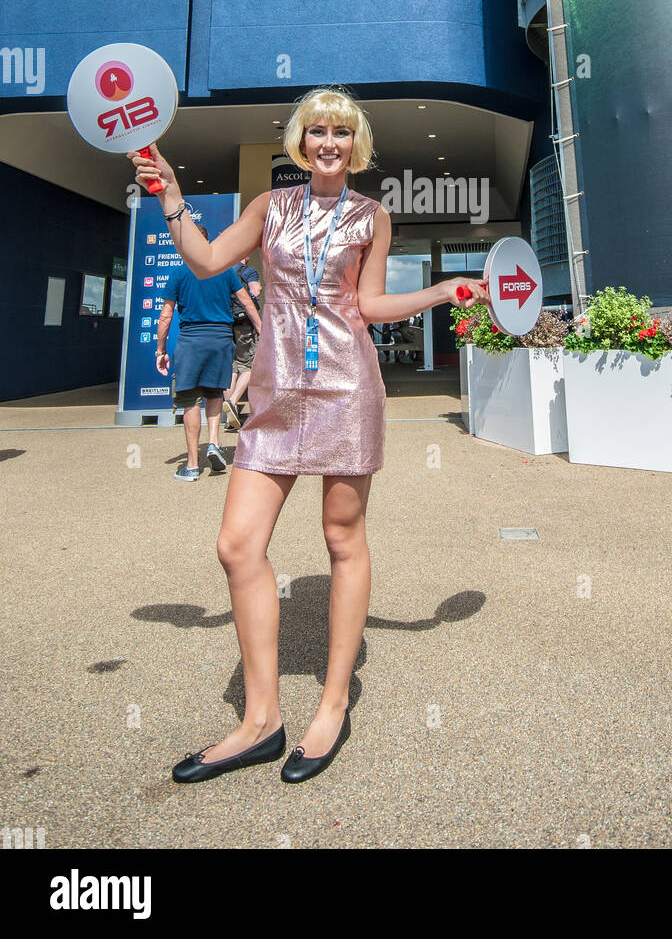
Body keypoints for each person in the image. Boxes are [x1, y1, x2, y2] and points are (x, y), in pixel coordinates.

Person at [128, 85, 487, 785]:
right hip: (275, 394)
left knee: (342, 540)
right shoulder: (269, 207)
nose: (329, 141)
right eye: (317, 129)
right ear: (300, 141)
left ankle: (331, 704)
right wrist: (171, 195)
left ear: (357, 144)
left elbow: (371, 304)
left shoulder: (371, 216)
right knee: (237, 546)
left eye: (341, 131)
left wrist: (443, 293)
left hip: (347, 390)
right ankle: (260, 722)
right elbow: (205, 261)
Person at [156, 225, 262, 480]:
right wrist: (262, 330)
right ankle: (214, 442)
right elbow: (247, 301)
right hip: (221, 340)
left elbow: (166, 316)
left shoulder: (179, 273)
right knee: (215, 393)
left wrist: (160, 350)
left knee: (190, 401)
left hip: (192, 342)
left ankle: (192, 465)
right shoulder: (225, 271)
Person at [223, 254, 262, 432]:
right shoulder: (248, 271)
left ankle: (231, 419)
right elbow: (255, 291)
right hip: (243, 325)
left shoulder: (223, 271)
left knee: (231, 369)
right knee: (248, 366)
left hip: (225, 324)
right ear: (246, 255)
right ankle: (232, 402)